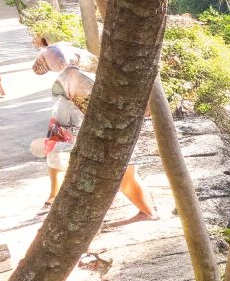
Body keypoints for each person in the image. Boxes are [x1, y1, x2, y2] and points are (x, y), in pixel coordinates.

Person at [31, 39, 156, 223]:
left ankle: (148, 212)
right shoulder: (81, 70)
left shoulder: (72, 76)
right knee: (124, 173)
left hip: (100, 128)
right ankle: (147, 211)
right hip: (82, 126)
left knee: (125, 174)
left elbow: (94, 105)